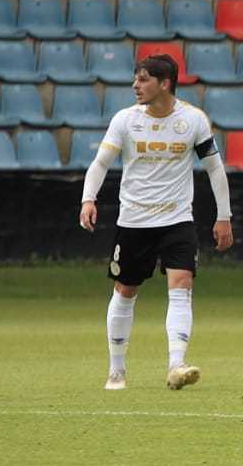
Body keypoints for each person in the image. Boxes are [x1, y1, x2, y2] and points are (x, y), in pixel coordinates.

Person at [79, 54, 233, 391]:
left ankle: (177, 365)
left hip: (178, 219)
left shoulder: (193, 120)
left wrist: (224, 216)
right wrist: (88, 199)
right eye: (136, 79)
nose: (136, 85)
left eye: (144, 79)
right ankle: (116, 370)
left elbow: (215, 168)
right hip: (134, 220)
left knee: (182, 286)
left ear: (165, 84)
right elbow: (100, 163)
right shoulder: (125, 120)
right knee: (125, 290)